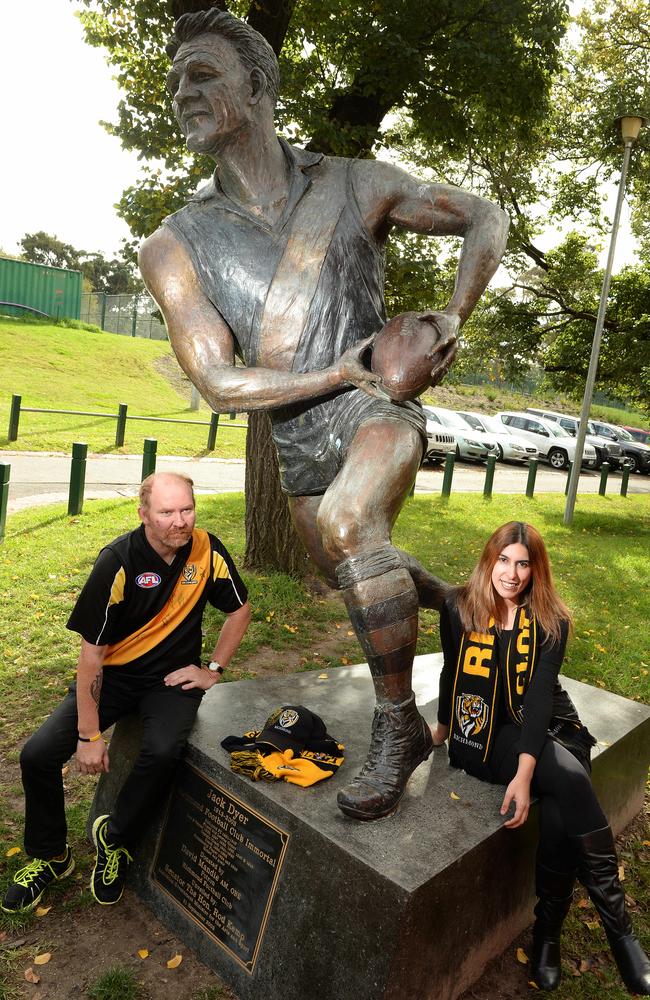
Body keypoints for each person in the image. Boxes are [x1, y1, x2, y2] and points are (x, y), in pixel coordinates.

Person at [139, 9, 509, 821]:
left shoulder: (355, 181)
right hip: (298, 436)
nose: (181, 93)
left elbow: (487, 215)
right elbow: (219, 381)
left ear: (260, 86)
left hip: (378, 407)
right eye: (173, 82)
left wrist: (451, 315)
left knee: (349, 525)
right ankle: (453, 602)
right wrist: (330, 370)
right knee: (347, 564)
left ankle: (399, 725)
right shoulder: (175, 241)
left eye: (201, 74)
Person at [2, 472, 251, 913]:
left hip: (172, 681)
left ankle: (113, 840)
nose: (180, 521)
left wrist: (212, 669)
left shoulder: (207, 550)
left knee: (162, 751)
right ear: (144, 515)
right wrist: (88, 735)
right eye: (167, 512)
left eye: (187, 509)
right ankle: (49, 856)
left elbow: (240, 609)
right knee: (37, 755)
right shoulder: (117, 561)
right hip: (113, 677)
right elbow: (91, 658)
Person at [431, 521, 650, 994]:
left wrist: (527, 773)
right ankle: (620, 936)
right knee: (571, 782)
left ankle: (548, 934)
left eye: (523, 564)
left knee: (559, 803)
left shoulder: (551, 620)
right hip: (487, 731)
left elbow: (540, 698)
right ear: (489, 559)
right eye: (503, 560)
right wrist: (444, 727)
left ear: (535, 570)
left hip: (549, 724)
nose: (511, 574)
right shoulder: (458, 606)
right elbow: (452, 669)